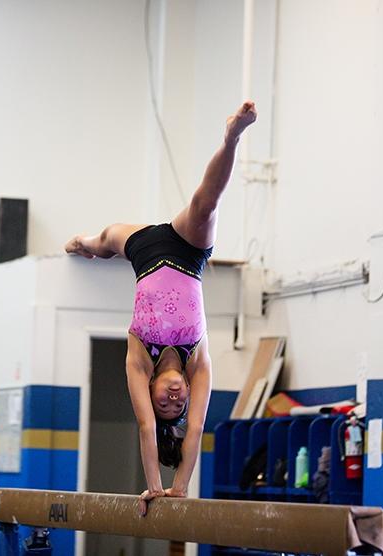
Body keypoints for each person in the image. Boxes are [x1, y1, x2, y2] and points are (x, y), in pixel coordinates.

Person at [65, 101, 257, 515]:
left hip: (144, 253)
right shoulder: (199, 362)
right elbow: (197, 428)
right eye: (178, 403)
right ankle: (233, 137)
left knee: (102, 240)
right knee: (206, 205)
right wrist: (179, 488)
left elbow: (147, 427)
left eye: (164, 402)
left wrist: (155, 487)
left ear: (150, 391)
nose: (173, 398)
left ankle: (82, 246)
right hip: (187, 252)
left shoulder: (139, 358)